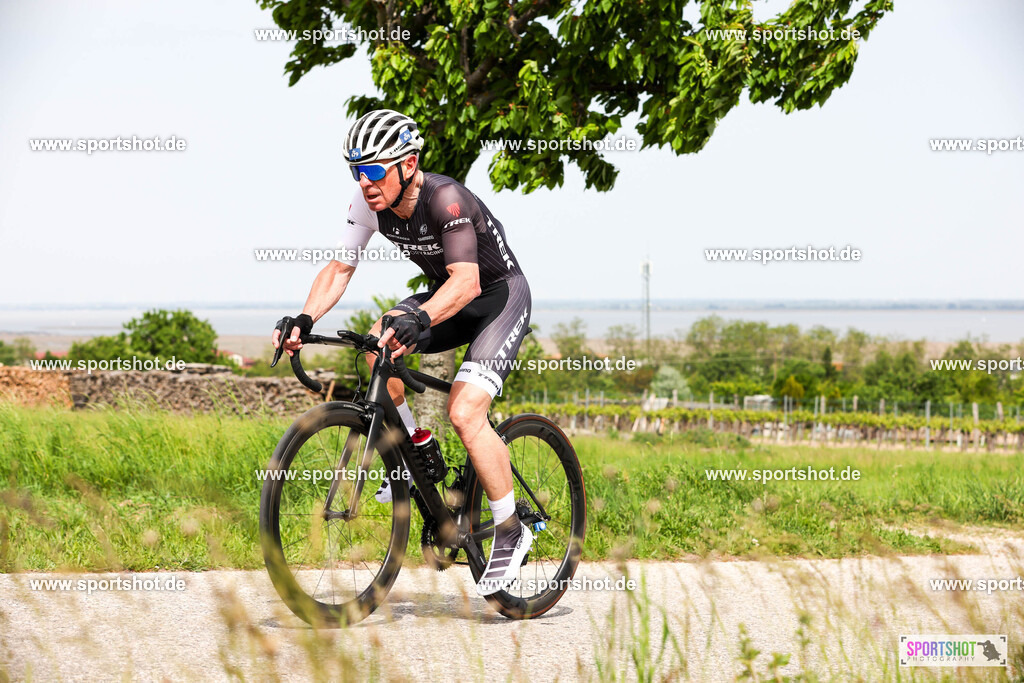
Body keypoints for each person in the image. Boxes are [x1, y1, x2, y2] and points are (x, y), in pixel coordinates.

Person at [271, 109, 533, 596]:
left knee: (465, 411)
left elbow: (469, 281)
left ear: (408, 165)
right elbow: (339, 268)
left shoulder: (446, 198)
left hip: (496, 297)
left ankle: (511, 529)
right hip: (447, 294)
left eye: (373, 170)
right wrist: (305, 318)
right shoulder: (367, 202)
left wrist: (421, 317)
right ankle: (417, 447)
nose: (364, 182)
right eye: (356, 171)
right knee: (377, 346)